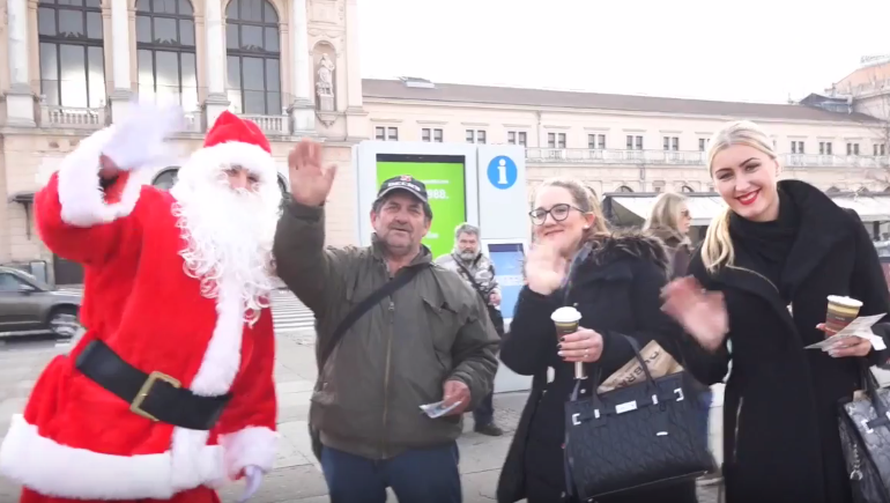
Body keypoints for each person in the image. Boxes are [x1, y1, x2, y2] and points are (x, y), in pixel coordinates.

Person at [0, 110, 281, 503]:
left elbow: (255, 370)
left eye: (253, 179)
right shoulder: (148, 211)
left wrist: (250, 437)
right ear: (203, 173)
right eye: (231, 171)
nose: (240, 185)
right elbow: (66, 229)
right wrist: (104, 169)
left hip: (188, 457)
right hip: (93, 439)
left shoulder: (252, 266)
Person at [662, 120, 890, 503]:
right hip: (761, 436)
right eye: (725, 175)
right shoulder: (714, 258)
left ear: (775, 165)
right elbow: (707, 370)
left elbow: (885, 321)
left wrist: (869, 342)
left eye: (751, 167)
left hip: (840, 423)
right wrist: (706, 338)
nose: (741, 184)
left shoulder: (840, 229)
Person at [273, 140, 499, 503]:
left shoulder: (453, 286)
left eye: (413, 209)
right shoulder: (341, 269)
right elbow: (294, 261)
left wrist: (466, 381)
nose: (401, 216)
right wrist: (304, 209)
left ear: (426, 225)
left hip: (426, 447)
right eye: (391, 206)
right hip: (347, 448)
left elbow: (482, 351)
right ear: (374, 218)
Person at [496, 177, 697, 503]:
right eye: (541, 213)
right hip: (558, 431)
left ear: (588, 218)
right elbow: (519, 360)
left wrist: (608, 345)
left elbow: (673, 343)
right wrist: (537, 293)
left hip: (632, 428)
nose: (549, 220)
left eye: (561, 210)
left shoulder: (635, 263)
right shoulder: (540, 275)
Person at [643, 192, 718, 485]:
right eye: (684, 213)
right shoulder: (678, 252)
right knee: (698, 399)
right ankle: (698, 463)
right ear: (669, 215)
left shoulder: (645, 250)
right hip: (683, 348)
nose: (689, 219)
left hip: (656, 351)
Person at [436, 222, 505, 436]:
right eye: (464, 241)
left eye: (472, 242)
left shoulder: (486, 262)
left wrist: (496, 293)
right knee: (448, 372)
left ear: (477, 243)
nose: (468, 246)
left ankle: (484, 421)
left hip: (483, 324)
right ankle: (449, 419)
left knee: (483, 370)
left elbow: (492, 285)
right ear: (456, 242)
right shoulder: (441, 264)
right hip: (452, 326)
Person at [644, 192, 694, 279]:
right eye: (684, 213)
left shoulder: (641, 246)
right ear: (668, 215)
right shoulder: (677, 247)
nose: (690, 217)